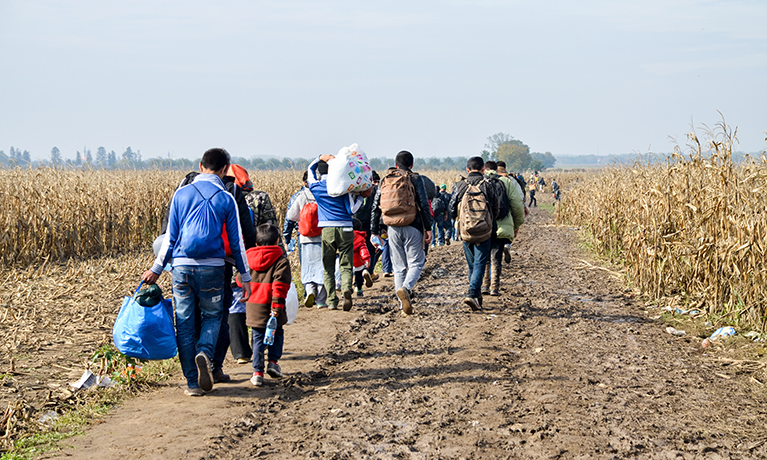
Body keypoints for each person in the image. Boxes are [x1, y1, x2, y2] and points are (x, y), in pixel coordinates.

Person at [143, 148, 252, 396]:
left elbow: (170, 237)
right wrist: (245, 277)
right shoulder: (226, 198)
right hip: (213, 268)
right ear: (226, 170)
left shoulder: (181, 194)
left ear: (201, 166)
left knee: (184, 324)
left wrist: (156, 269)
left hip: (181, 268)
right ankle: (205, 352)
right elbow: (237, 244)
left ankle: (192, 383)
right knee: (213, 317)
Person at [371, 150, 433, 315]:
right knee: (416, 263)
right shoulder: (415, 178)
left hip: (392, 227)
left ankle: (401, 305)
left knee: (398, 267)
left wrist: (375, 231)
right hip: (412, 225)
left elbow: (376, 206)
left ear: (396, 165)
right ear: (412, 165)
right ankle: (406, 288)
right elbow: (424, 204)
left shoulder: (386, 180)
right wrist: (428, 228)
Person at [307, 156, 369, 311]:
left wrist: (320, 157)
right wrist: (361, 197)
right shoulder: (343, 186)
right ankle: (347, 288)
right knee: (346, 264)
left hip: (327, 229)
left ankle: (332, 301)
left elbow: (310, 170)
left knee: (328, 267)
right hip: (346, 228)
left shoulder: (316, 187)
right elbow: (352, 209)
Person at [449, 156, 499, 311]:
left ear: (467, 169)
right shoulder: (488, 185)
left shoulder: (460, 185)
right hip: (484, 231)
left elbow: (451, 207)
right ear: (483, 169)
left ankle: (476, 296)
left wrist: (458, 219)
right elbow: (497, 208)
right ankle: (473, 294)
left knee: (472, 265)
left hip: (465, 231)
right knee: (480, 264)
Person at [244, 223, 291, 387]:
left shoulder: (248, 259)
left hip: (253, 306)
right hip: (273, 308)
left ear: (256, 242)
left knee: (257, 338)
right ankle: (273, 362)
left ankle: (257, 372)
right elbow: (280, 285)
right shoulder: (281, 261)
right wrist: (277, 306)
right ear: (277, 240)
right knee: (276, 333)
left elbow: (239, 279)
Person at [284, 171, 328, 309]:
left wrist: (287, 236)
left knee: (308, 267)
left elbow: (290, 216)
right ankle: (321, 300)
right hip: (322, 236)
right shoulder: (322, 194)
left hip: (305, 237)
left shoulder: (300, 196)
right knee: (322, 268)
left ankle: (309, 291)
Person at [482, 161, 525, 296]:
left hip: (483, 225)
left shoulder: (481, 182)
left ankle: (484, 286)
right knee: (496, 257)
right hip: (502, 225)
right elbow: (517, 205)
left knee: (485, 257)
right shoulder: (506, 182)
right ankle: (494, 288)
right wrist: (516, 225)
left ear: (485, 170)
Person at [352, 218, 372, 296]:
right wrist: (367, 259)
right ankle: (359, 290)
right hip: (358, 262)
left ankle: (346, 289)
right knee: (358, 276)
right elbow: (363, 249)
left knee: (347, 276)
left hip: (348, 260)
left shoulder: (345, 237)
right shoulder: (360, 237)